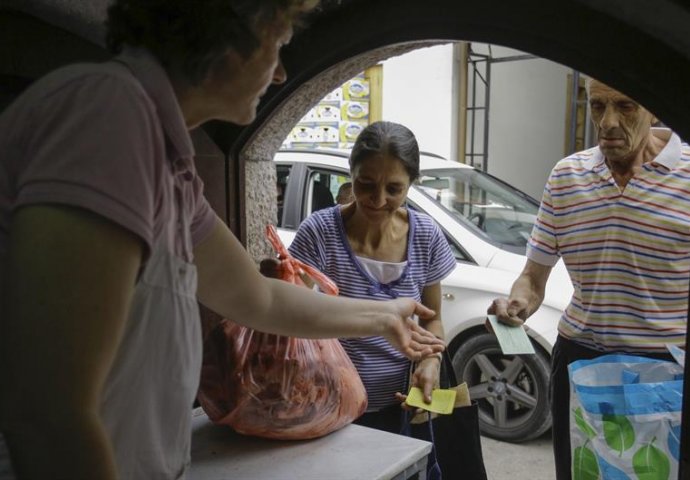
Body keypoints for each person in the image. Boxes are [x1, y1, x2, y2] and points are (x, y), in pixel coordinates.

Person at [0, 2, 445, 479]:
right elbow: (49, 410)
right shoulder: (108, 113)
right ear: (233, 40)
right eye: (276, 47)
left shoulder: (166, 159)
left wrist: (385, 314)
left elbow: (260, 299)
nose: (279, 75)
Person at [488, 78, 690, 480]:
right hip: (582, 359)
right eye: (598, 106)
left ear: (653, 108)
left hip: (666, 367)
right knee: (580, 473)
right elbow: (533, 276)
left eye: (626, 106)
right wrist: (517, 305)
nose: (608, 122)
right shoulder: (567, 177)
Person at [288, 121, 457, 434]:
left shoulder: (426, 236)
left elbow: (432, 320)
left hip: (401, 403)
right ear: (350, 174)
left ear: (411, 184)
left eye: (394, 189)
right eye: (365, 184)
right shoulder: (320, 232)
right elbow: (291, 315)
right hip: (328, 401)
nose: (378, 200)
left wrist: (430, 362)